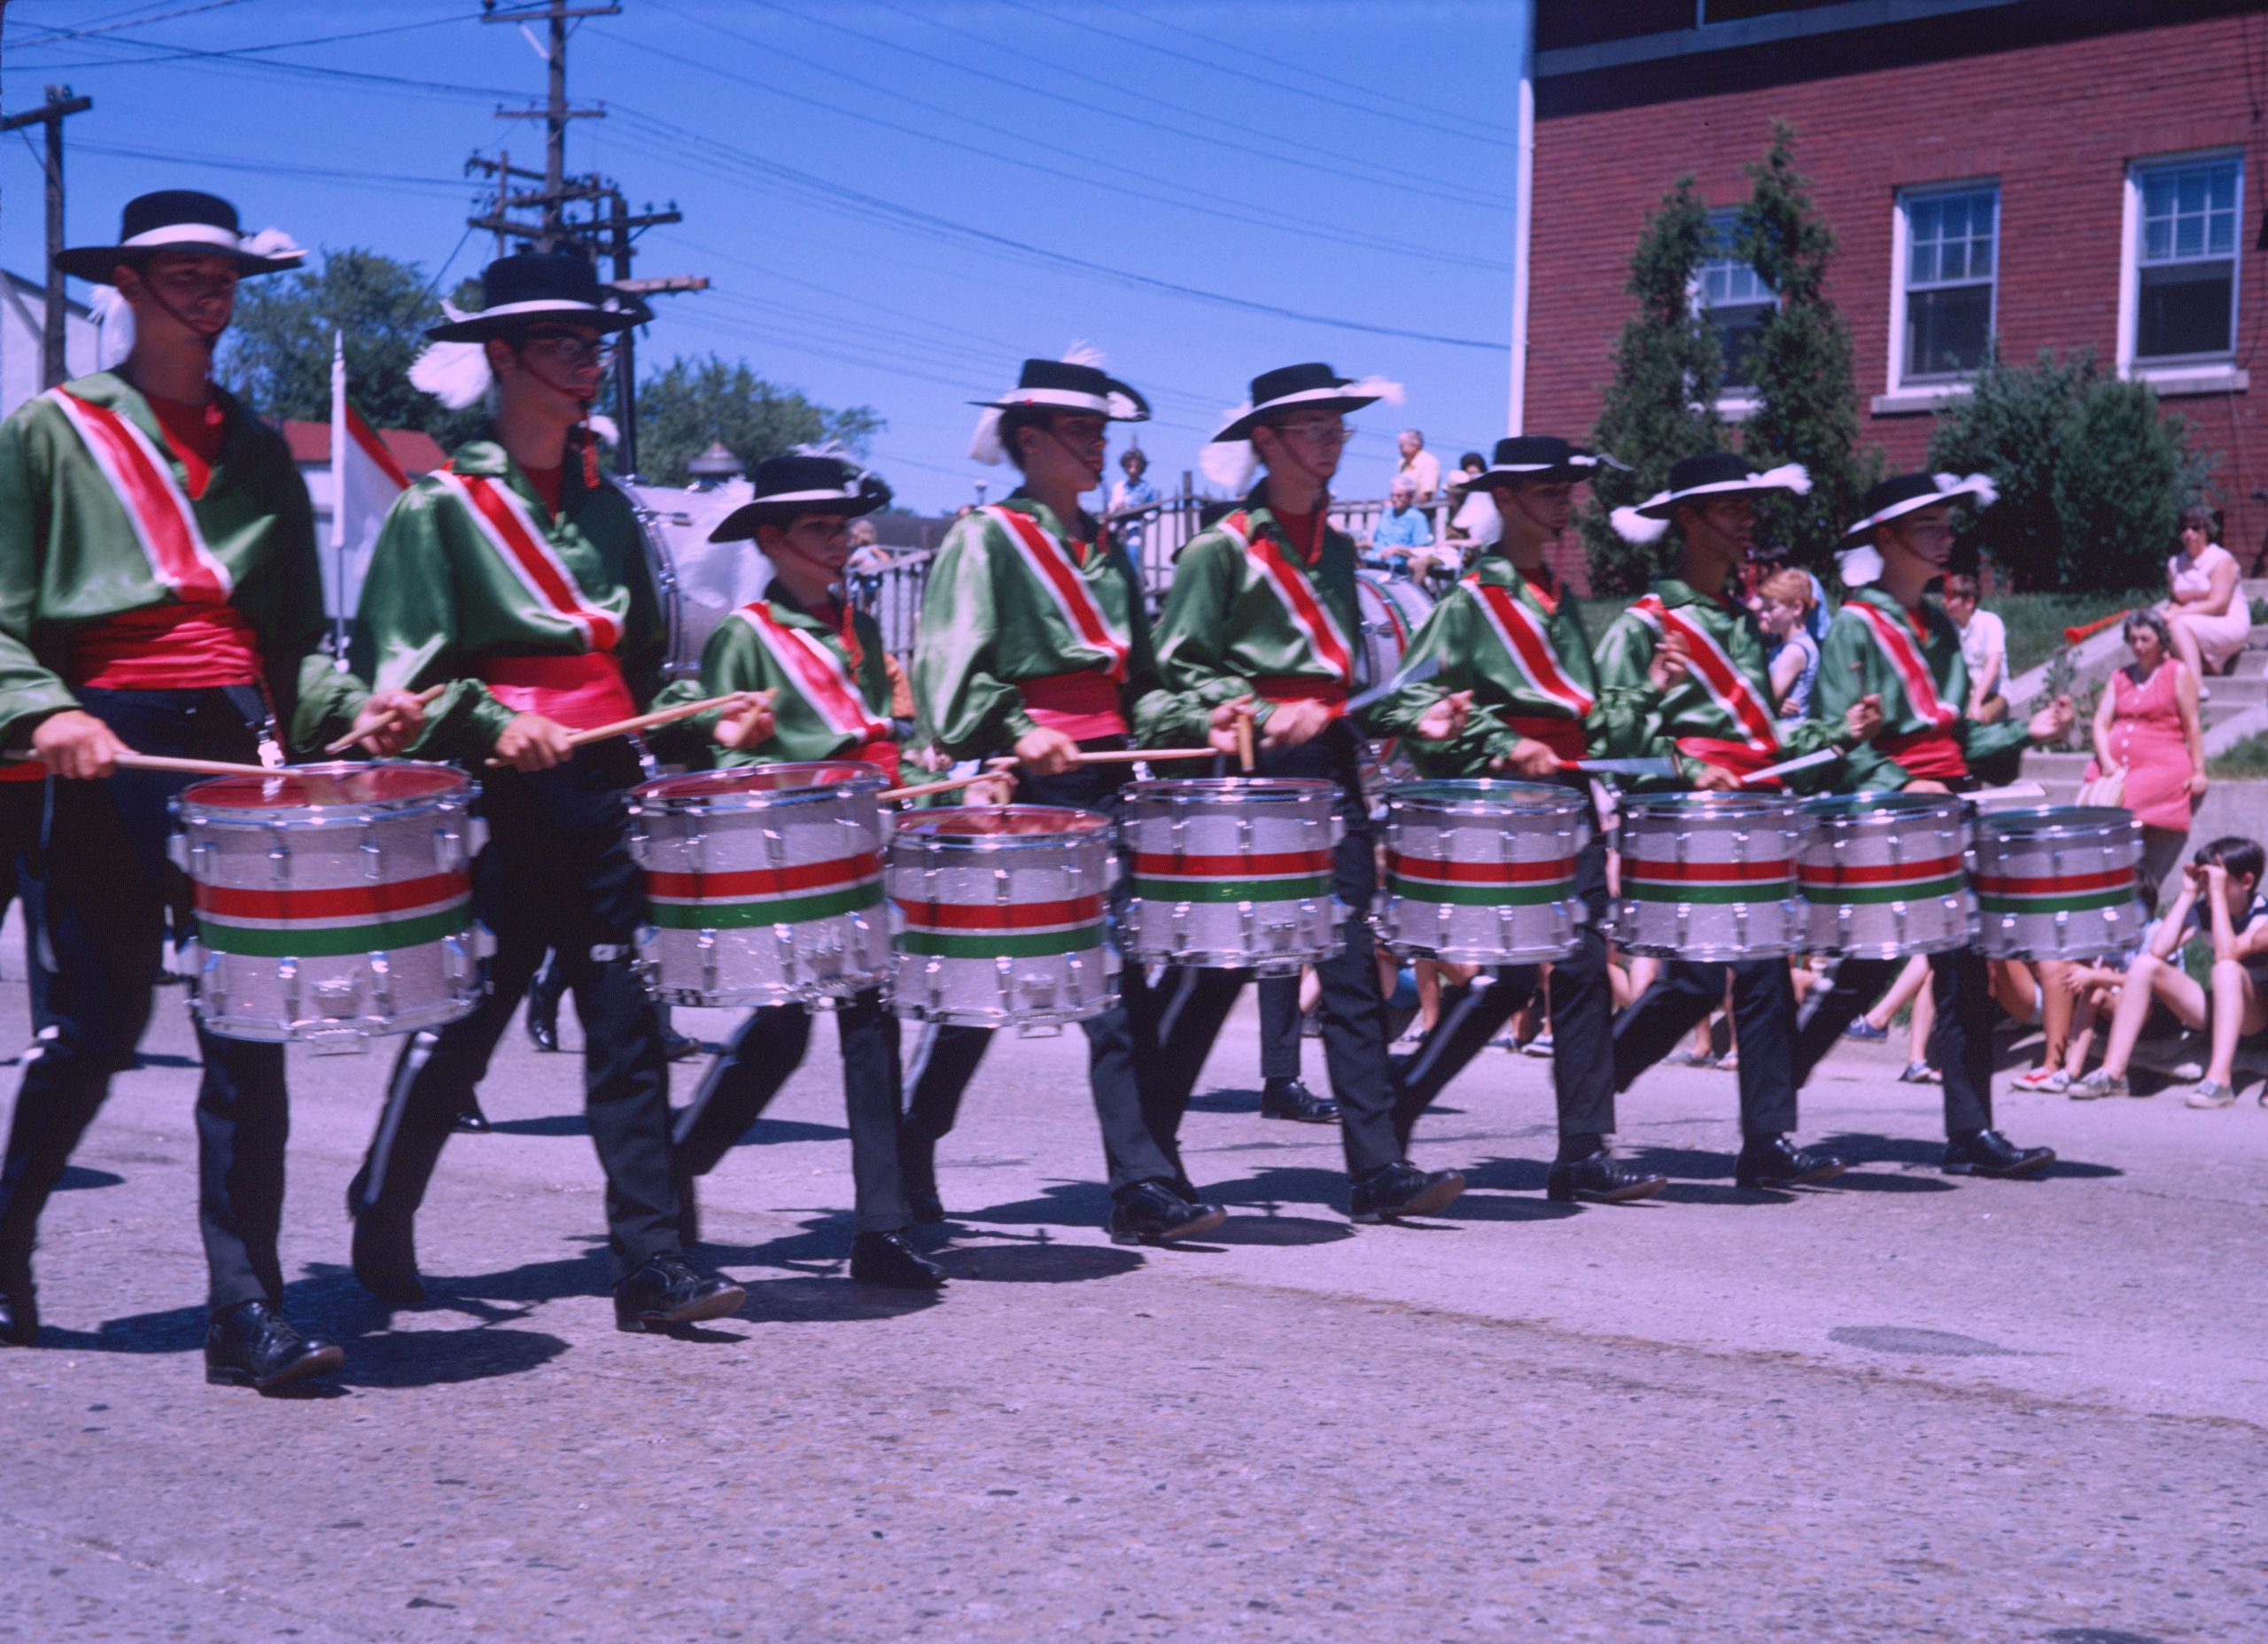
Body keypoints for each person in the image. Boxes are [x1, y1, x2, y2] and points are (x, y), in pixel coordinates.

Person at [0, 190, 428, 1385]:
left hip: (238, 743)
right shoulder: (49, 430)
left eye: (221, 271)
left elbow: (290, 635)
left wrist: (350, 711)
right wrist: (47, 711)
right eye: (178, 270)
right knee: (97, 1023)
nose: (205, 288)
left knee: (249, 1028)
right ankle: (3, 1236)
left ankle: (246, 1310)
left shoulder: (254, 443)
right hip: (111, 737)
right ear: (125, 287)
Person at [341, 252, 746, 1333]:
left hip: (607, 782)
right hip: (498, 792)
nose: (589, 361)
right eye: (565, 343)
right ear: (505, 354)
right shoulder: (441, 508)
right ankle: (381, 1201)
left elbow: (649, 669)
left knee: (626, 1018)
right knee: (466, 1020)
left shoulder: (617, 510)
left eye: (596, 341)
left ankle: (651, 1261)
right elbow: (401, 679)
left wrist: (709, 714)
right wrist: (492, 722)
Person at [1136, 361, 1472, 1224]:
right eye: (1314, 431)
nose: (1331, 446)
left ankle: (1376, 1165)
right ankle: (1149, 1157)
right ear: (1266, 441)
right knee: (1219, 971)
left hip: (1328, 772)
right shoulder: (1220, 550)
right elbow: (1172, 677)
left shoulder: (1340, 547)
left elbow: (1347, 679)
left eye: (1337, 431)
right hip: (1248, 778)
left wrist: (1422, 709)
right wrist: (1248, 707)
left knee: (1351, 966)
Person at [907, 352, 1225, 1246]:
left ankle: (1141, 1180)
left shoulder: (1107, 547)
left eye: (1102, 431)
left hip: (1108, 775)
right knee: (988, 990)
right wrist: (1012, 728)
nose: (1098, 446)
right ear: (1029, 440)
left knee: (1113, 986)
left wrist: (1204, 709)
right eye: (1082, 432)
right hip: (1026, 786)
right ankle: (910, 1138)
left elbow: (1145, 687)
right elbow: (952, 670)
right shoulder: (985, 537)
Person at [649, 454, 944, 1290]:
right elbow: (720, 756)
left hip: (857, 849)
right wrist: (733, 745)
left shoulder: (862, 624)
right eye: (819, 529)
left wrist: (937, 781)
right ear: (771, 539)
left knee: (870, 1027)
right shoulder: (747, 634)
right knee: (779, 1033)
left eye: (845, 527)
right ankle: (678, 1163)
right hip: (782, 861)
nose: (843, 543)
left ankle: (880, 1229)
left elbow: (883, 738)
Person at [1369, 436, 1669, 1204]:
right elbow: (1406, 698)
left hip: (1569, 804)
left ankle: (1581, 1150)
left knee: (1566, 973)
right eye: (1544, 491)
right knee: (1531, 974)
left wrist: (1647, 706)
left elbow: (1591, 718)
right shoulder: (1471, 602)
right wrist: (1501, 741)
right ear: (1503, 500)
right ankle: (1407, 1100)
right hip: (1508, 811)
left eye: (1567, 491)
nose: (1561, 503)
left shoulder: (1561, 601)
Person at [1593, 453, 1879, 1190]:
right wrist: (1683, 764)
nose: (1749, 521)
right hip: (1684, 819)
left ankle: (1766, 1141)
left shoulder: (1743, 625)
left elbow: (1762, 738)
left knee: (1759, 973)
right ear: (1687, 519)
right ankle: (1587, 1100)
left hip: (1749, 813)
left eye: (1752, 508)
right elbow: (1607, 734)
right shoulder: (1643, 624)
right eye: (1731, 508)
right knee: (1691, 982)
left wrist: (1836, 734)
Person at [1789, 471, 2077, 1178]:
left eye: (1948, 525)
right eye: (1930, 527)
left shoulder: (1941, 628)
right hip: (1889, 817)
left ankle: (1971, 1133)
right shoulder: (1856, 624)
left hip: (1946, 813)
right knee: (1868, 971)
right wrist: (1900, 783)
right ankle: (1768, 1102)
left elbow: (1955, 741)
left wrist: (2026, 733)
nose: (1946, 538)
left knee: (1962, 968)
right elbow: (1831, 742)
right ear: (1886, 538)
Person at [2070, 837, 2268, 1108]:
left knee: (2225, 969)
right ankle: (2114, 1072)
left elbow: (2227, 953)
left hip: (2257, 1019)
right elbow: (2159, 950)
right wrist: (2188, 894)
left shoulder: (2262, 915)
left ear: (2246, 882)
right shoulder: (2206, 910)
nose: (2209, 887)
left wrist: (2218, 896)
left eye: (2215, 879)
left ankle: (2219, 1080)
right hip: (2217, 1012)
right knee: (2144, 965)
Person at [2084, 608, 2206, 896]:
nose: (2138, 646)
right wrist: (2107, 761)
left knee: (2121, 807)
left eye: (2145, 639)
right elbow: (2101, 722)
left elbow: (2192, 725)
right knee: (2091, 806)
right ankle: (2103, 881)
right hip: (2116, 766)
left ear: (2161, 641)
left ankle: (2120, 884)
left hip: (2161, 764)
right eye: (2133, 639)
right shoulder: (2120, 676)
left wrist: (2200, 771)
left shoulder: (2177, 672)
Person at [2165, 505, 2249, 684]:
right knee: (2157, 635)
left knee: (2175, 626)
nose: (2189, 534)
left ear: (2206, 531)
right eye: (2184, 529)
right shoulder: (2175, 564)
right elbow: (2174, 600)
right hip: (2191, 624)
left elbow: (2218, 605)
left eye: (2195, 528)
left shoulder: (2221, 559)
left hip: (2227, 623)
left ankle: (2196, 686)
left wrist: (2176, 614)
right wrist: (2170, 612)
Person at [1940, 573, 2007, 723]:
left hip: (1993, 694)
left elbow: (1993, 664)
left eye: (1950, 598)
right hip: (1962, 696)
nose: (1944, 602)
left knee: (1972, 723)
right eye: (1944, 596)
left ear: (1969, 602)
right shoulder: (1949, 627)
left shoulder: (1989, 622)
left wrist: (1975, 702)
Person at [1758, 566, 1821, 725]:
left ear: (1797, 608)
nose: (1764, 615)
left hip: (1790, 737)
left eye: (1771, 608)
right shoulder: (1783, 644)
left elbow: (1763, 704)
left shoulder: (1794, 651)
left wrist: (1774, 707)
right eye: (1763, 609)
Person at [1105, 443, 1159, 562]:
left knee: (1132, 557)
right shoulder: (1119, 487)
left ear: (1141, 468)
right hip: (1117, 529)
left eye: (1136, 467)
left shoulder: (1146, 488)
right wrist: (1116, 508)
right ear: (1125, 467)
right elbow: (1111, 508)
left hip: (1135, 530)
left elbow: (1153, 511)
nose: (1133, 470)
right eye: (1129, 466)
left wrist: (1140, 514)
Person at [1391, 429, 1441, 502]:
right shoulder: (1402, 463)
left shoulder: (1428, 462)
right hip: (1402, 509)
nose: (1399, 451)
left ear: (1414, 446)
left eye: (1402, 446)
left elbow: (1426, 496)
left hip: (1422, 510)